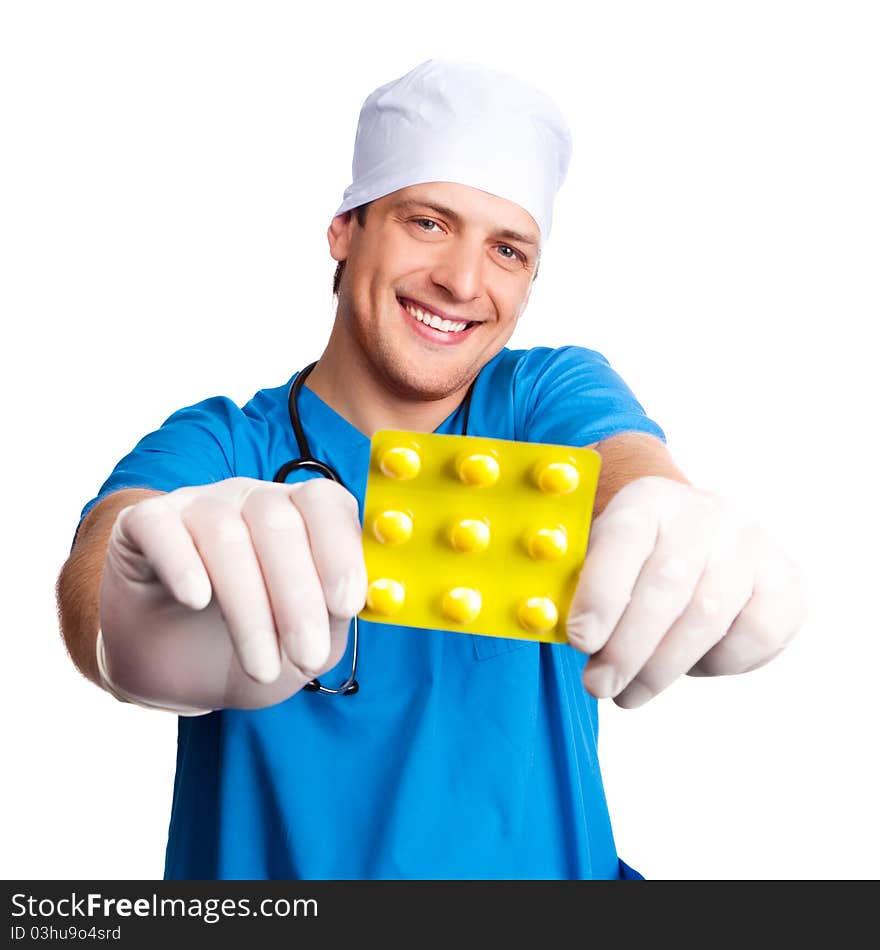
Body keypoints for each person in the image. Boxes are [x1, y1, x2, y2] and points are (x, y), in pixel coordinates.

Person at [56, 58, 806, 880]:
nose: (462, 281)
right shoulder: (226, 444)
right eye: (428, 223)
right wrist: (132, 628)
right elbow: (103, 563)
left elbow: (621, 459)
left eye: (508, 250)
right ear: (345, 228)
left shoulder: (540, 399)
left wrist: (666, 511)